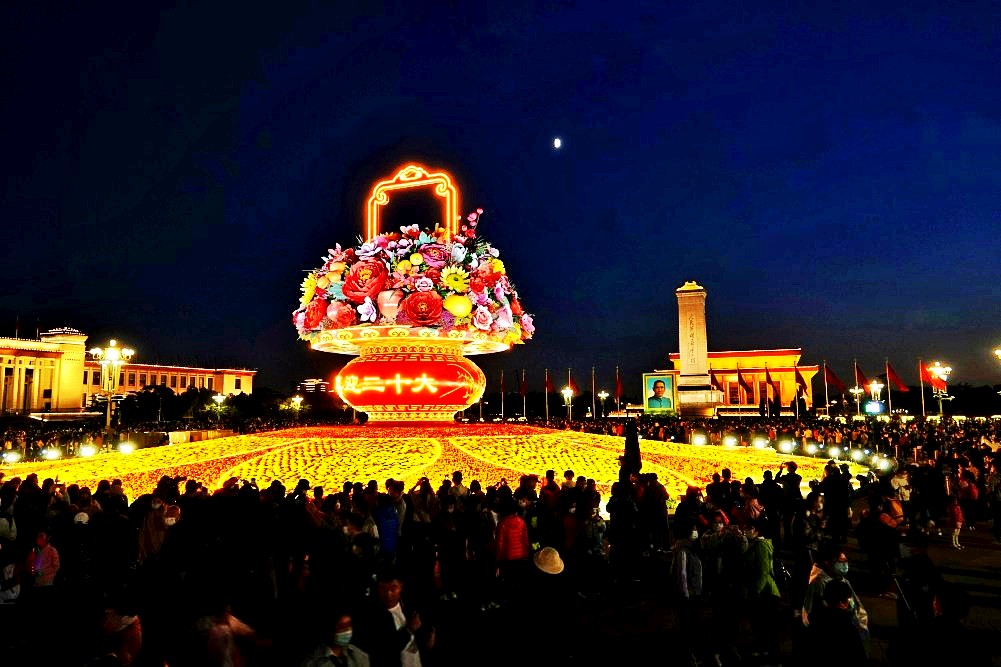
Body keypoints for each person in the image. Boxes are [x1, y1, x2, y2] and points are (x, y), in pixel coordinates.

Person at [299, 611, 371, 667]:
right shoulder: (313, 662)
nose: (347, 631)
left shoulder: (358, 655)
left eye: (349, 625)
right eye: (342, 627)